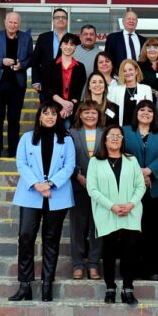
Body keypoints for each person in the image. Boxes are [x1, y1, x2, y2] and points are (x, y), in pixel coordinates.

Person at [9, 101, 76, 302]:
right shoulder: (28, 138)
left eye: (54, 114)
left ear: (58, 117)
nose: (50, 117)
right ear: (39, 116)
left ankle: (47, 285)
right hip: (31, 194)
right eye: (46, 113)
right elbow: (21, 163)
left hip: (57, 194)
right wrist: (37, 184)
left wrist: (51, 184)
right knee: (26, 236)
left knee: (51, 239)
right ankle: (25, 284)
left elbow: (69, 166)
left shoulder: (66, 138)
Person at [86, 124, 146, 305]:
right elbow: (92, 189)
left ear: (122, 140)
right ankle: (110, 287)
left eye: (118, 136)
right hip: (107, 212)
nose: (114, 139)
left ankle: (128, 288)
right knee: (109, 251)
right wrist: (111, 206)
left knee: (131, 251)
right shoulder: (95, 162)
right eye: (111, 135)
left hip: (130, 212)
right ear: (104, 140)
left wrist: (131, 204)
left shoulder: (131, 160)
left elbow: (140, 185)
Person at [122, 100, 158, 280]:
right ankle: (133, 269)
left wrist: (150, 171)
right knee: (133, 231)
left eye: (149, 110)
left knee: (154, 231)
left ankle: (154, 269)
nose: (145, 113)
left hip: (156, 190)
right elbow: (120, 153)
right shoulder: (126, 132)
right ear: (136, 113)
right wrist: (138, 174)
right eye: (142, 109)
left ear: (154, 115)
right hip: (131, 190)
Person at [0, 12, 33, 158]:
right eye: (10, 22)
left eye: (16, 23)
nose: (13, 25)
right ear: (5, 22)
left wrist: (21, 65)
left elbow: (31, 58)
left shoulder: (26, 38)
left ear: (19, 24)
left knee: (14, 118)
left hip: (17, 84)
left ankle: (13, 151)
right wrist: (1, 61)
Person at [68, 100, 103, 280]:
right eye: (86, 112)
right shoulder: (72, 134)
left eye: (94, 112)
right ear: (80, 115)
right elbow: (67, 158)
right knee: (77, 227)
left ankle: (94, 264)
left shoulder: (104, 134)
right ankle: (78, 264)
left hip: (101, 190)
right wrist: (79, 176)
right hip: (78, 186)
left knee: (97, 227)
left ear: (99, 116)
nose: (90, 115)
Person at [43, 33, 87, 120]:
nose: (68, 47)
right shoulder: (50, 65)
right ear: (61, 46)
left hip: (72, 109)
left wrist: (69, 106)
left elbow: (79, 92)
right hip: (52, 108)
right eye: (65, 43)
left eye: (72, 44)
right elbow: (47, 88)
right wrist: (63, 103)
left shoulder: (80, 67)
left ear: (75, 47)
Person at [31, 7, 69, 101]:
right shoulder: (43, 37)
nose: (60, 19)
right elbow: (35, 61)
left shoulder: (72, 39)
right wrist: (35, 81)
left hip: (66, 83)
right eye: (57, 17)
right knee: (46, 111)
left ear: (67, 20)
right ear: (53, 20)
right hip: (45, 83)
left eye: (63, 17)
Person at [107, 59, 153, 127]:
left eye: (130, 69)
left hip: (140, 129)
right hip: (120, 129)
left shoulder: (146, 89)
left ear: (136, 71)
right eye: (124, 71)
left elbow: (150, 111)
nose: (128, 73)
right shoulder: (115, 90)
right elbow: (108, 111)